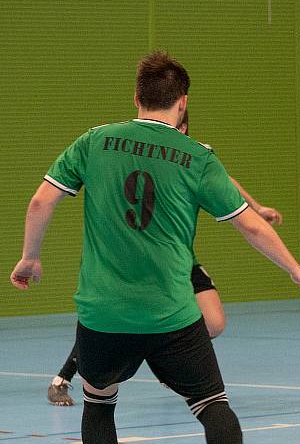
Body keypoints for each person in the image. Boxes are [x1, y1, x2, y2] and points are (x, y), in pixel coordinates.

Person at [11, 50, 300, 444]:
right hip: (172, 314)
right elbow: (248, 223)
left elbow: (41, 200)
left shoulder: (95, 141)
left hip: (104, 314)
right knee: (212, 402)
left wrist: (30, 258)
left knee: (99, 403)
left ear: (136, 98)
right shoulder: (197, 156)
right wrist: (294, 268)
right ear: (182, 103)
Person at [46, 108, 284, 407]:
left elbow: (226, 181)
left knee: (214, 322)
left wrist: (257, 208)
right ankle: (64, 376)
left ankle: (163, 357)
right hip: (129, 263)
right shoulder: (129, 150)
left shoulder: (193, 157)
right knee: (111, 323)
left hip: (176, 261)